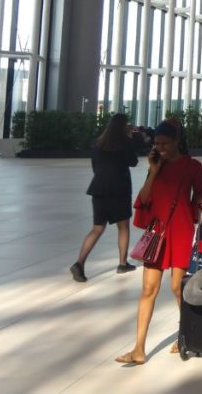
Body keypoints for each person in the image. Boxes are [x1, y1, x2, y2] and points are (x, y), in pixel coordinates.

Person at [116, 121, 202, 365]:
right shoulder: (156, 165)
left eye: (165, 143)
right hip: (157, 233)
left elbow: (199, 191)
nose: (161, 148)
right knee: (148, 289)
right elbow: (144, 198)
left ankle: (186, 335)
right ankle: (138, 349)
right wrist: (154, 170)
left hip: (180, 230)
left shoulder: (192, 166)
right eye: (157, 144)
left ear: (177, 141)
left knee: (178, 288)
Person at [70, 113, 139, 282]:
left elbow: (95, 166)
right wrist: (131, 139)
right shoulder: (124, 143)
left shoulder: (99, 143)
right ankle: (122, 263)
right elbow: (133, 161)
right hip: (119, 190)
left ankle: (79, 263)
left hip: (99, 189)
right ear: (123, 127)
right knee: (123, 227)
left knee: (97, 228)